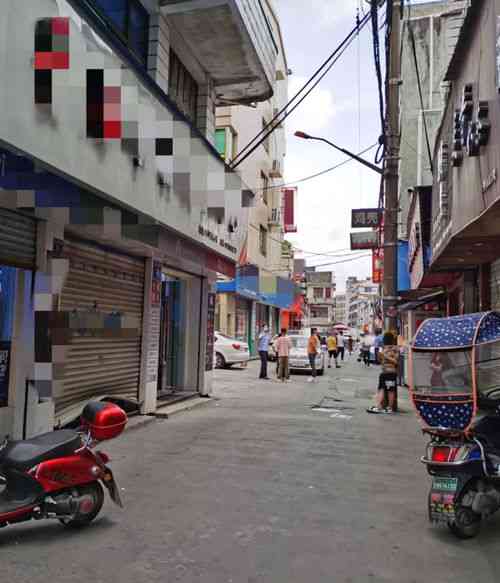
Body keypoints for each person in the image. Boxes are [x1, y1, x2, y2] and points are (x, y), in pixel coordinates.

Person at [368, 332, 399, 414]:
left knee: (390, 390)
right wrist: (379, 357)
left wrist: (385, 356)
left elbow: (395, 361)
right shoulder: (383, 348)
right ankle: (379, 406)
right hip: (384, 372)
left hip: (391, 373)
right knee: (381, 389)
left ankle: (389, 408)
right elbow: (381, 361)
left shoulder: (395, 349)